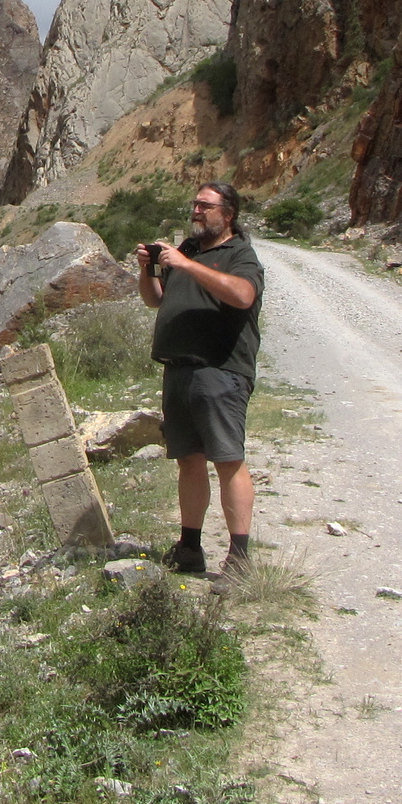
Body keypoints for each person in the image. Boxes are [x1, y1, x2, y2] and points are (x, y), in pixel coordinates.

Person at [136, 181, 264, 578]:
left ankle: (239, 559)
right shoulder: (188, 249)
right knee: (188, 461)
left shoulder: (239, 254)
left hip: (220, 371)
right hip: (179, 370)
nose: (196, 211)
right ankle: (189, 548)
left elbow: (243, 295)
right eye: (194, 204)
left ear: (228, 214)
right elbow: (155, 299)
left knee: (227, 460)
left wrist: (186, 265)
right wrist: (148, 268)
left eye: (205, 206)